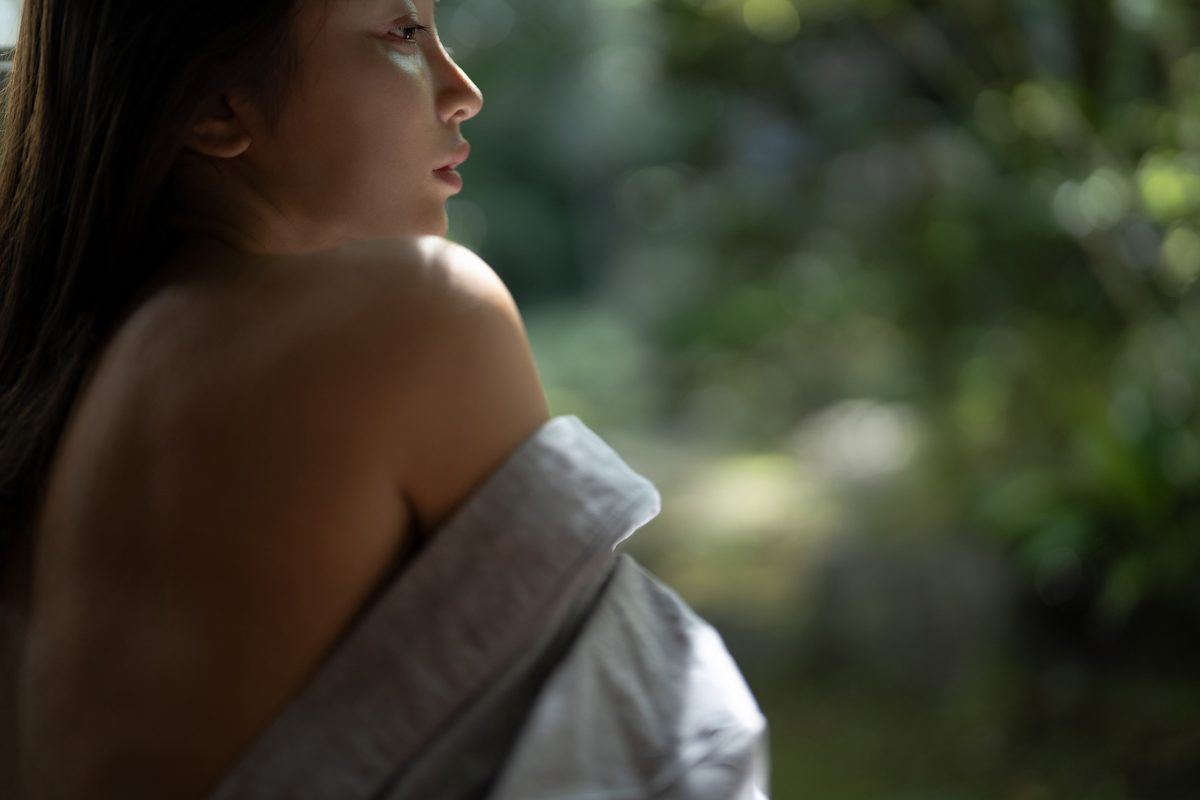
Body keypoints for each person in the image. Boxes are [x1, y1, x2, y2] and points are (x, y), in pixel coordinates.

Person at [0, 1, 769, 798]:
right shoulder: (415, 315)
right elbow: (649, 766)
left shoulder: (48, 402)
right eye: (403, 33)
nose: (463, 91)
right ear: (218, 104)